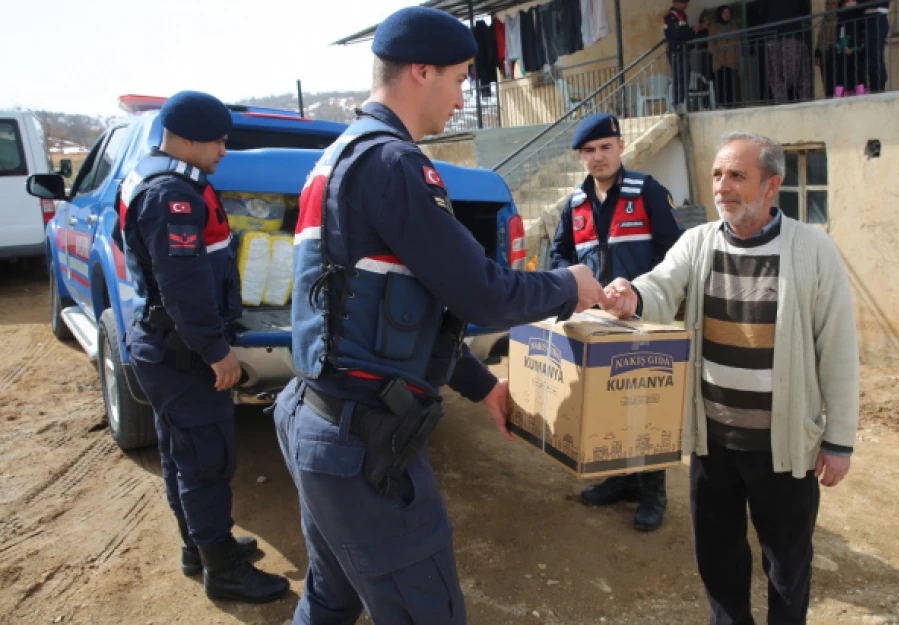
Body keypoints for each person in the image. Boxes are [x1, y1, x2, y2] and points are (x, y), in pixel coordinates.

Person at [272, 7, 607, 624]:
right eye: (459, 79)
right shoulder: (394, 163)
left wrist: (482, 386)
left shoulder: (341, 154)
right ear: (421, 72)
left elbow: (394, 311)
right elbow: (480, 292)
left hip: (318, 420)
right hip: (363, 445)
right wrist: (571, 284)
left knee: (331, 600)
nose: (462, 98)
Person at [603, 132, 859, 625]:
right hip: (712, 443)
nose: (722, 187)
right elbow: (660, 284)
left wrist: (839, 441)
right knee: (718, 562)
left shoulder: (813, 250)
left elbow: (840, 353)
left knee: (787, 567)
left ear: (771, 186)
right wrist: (631, 295)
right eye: (718, 175)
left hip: (783, 450)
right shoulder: (697, 243)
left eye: (737, 176)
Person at [117, 91, 290, 603]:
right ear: (187, 138)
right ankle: (222, 570)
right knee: (205, 460)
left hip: (168, 348)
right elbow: (184, 288)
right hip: (183, 352)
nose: (223, 149)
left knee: (182, 453)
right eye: (217, 139)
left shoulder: (165, 180)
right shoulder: (173, 197)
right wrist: (217, 352)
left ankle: (201, 545)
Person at [550, 113, 683, 531]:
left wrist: (639, 290)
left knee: (649, 406)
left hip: (643, 317)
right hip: (597, 323)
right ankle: (623, 479)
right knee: (610, 404)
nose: (597, 157)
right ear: (581, 156)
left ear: (620, 147)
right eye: (588, 151)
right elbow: (559, 256)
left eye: (605, 147)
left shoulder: (646, 192)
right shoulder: (574, 204)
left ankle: (654, 489)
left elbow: (675, 254)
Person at [758, 0, 813, 103]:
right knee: (796, 74)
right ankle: (798, 100)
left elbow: (762, 12)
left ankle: (783, 101)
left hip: (774, 35)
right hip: (790, 34)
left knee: (778, 75)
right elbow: (805, 9)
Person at [664, 0, 697, 111]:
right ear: (676, 2)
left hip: (682, 51)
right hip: (675, 51)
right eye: (684, 2)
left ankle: (682, 102)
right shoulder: (671, 17)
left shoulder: (682, 15)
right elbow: (677, 34)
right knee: (679, 77)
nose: (686, 5)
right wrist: (692, 31)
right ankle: (677, 103)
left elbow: (684, 33)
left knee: (685, 77)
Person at [707, 5, 741, 108]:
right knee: (720, 84)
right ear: (720, 14)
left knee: (731, 84)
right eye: (724, 13)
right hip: (719, 62)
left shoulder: (734, 27)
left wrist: (736, 57)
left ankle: (731, 104)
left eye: (728, 13)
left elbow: (738, 44)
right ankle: (721, 105)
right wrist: (718, 55)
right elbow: (711, 44)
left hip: (731, 61)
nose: (727, 15)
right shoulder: (714, 27)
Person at [862, 0, 890, 93]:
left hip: (877, 18)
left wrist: (857, 3)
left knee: (875, 55)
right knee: (870, 57)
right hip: (870, 19)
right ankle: (874, 85)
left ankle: (879, 85)